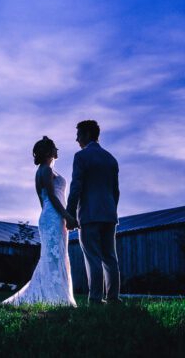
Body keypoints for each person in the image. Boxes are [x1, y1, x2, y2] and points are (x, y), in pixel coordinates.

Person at [1, 136, 77, 306]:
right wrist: (67, 216)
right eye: (55, 147)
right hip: (54, 215)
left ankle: (56, 294)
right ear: (50, 151)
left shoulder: (40, 171)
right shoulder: (47, 171)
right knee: (53, 256)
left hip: (48, 215)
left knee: (52, 255)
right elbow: (51, 196)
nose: (58, 149)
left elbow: (43, 201)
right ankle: (55, 297)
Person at [66, 119, 121, 304]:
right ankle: (113, 298)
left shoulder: (81, 157)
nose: (76, 139)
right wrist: (112, 209)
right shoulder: (111, 159)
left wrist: (70, 213)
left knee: (93, 258)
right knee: (110, 257)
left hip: (89, 215)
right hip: (109, 214)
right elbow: (116, 191)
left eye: (79, 135)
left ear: (88, 135)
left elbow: (76, 187)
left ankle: (96, 299)